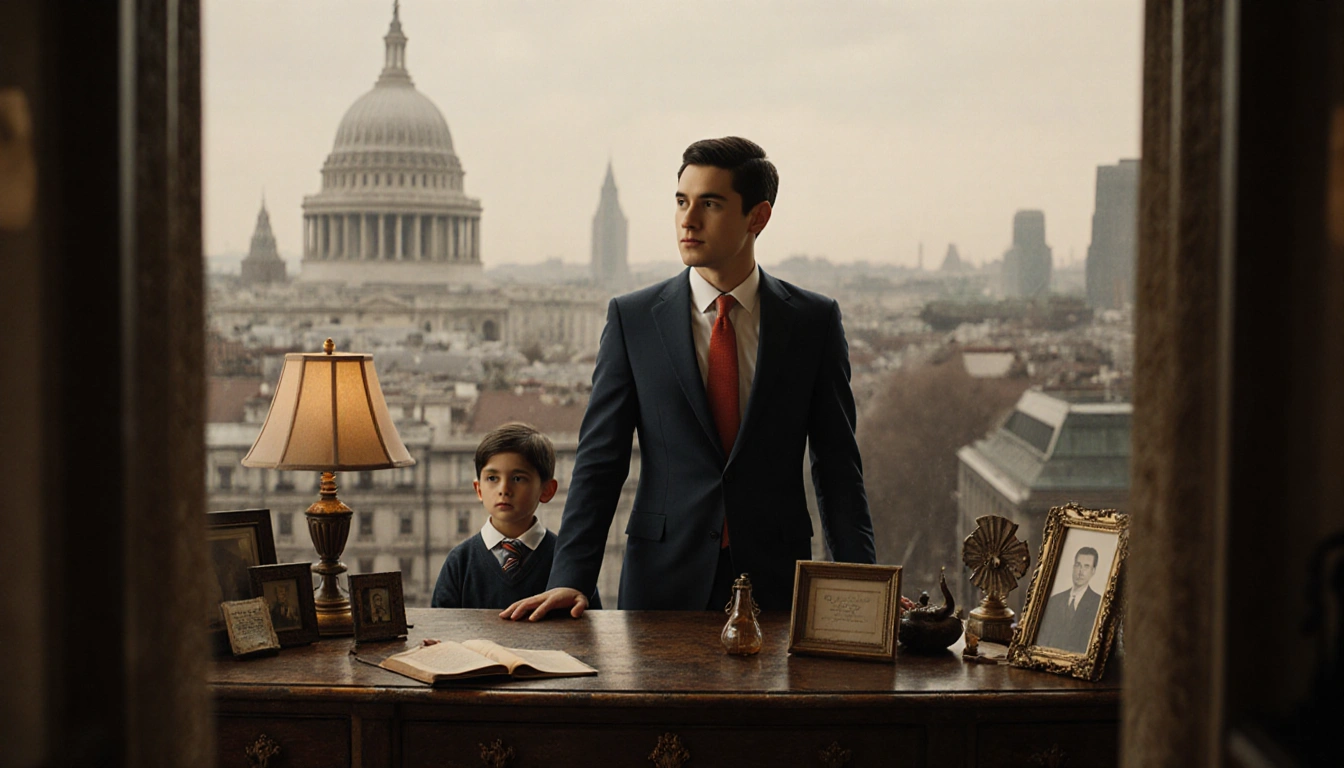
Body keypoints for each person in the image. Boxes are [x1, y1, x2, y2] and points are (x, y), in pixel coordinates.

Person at [503, 136, 875, 620]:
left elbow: (838, 466)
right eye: (681, 201)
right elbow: (600, 461)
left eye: (711, 204)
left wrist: (864, 584)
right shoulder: (632, 318)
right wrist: (571, 577)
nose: (688, 219)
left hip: (777, 579)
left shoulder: (813, 321)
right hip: (660, 577)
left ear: (757, 218)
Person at [431, 423, 601, 609]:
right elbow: (441, 630)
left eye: (518, 478)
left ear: (547, 490)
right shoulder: (460, 561)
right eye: (492, 478)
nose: (504, 490)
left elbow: (590, 629)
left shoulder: (568, 561)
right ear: (478, 489)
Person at [1036, 546, 1102, 653]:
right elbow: (1043, 638)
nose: (1080, 571)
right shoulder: (1055, 601)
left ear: (1093, 571)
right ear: (1073, 567)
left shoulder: (1098, 603)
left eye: (1086, 567)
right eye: (1078, 565)